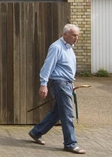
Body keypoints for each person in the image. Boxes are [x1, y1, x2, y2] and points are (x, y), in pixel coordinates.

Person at [28, 23, 85, 154]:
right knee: (68, 114)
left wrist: (71, 83)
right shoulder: (56, 47)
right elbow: (47, 66)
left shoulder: (69, 48)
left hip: (66, 83)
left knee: (58, 112)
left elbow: (67, 67)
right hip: (60, 84)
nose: (76, 38)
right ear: (65, 35)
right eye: (74, 35)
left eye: (77, 35)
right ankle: (70, 144)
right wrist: (43, 84)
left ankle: (36, 132)